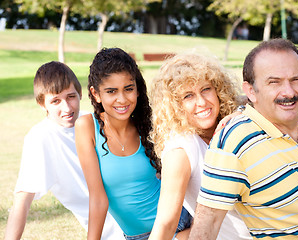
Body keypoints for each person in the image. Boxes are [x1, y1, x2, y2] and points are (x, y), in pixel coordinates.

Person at [188, 38, 298, 239]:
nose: (289, 92)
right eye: (274, 82)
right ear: (251, 90)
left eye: (296, 80)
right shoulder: (234, 142)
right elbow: (208, 223)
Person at [75, 48, 191, 240]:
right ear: (95, 94)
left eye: (128, 89)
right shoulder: (87, 127)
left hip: (177, 224)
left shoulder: (149, 124)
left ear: (137, 89)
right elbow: (98, 199)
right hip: (137, 236)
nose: (122, 99)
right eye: (111, 91)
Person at [4, 61, 124, 240]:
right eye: (55, 101)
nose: (67, 108)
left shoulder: (96, 121)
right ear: (42, 104)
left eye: (71, 97)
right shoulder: (39, 138)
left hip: (142, 219)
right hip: (109, 234)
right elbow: (22, 201)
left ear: (80, 94)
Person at [148, 52, 252, 240]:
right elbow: (166, 223)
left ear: (218, 90)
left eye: (206, 89)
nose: (202, 102)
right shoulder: (181, 150)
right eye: (188, 96)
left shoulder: (233, 124)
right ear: (175, 105)